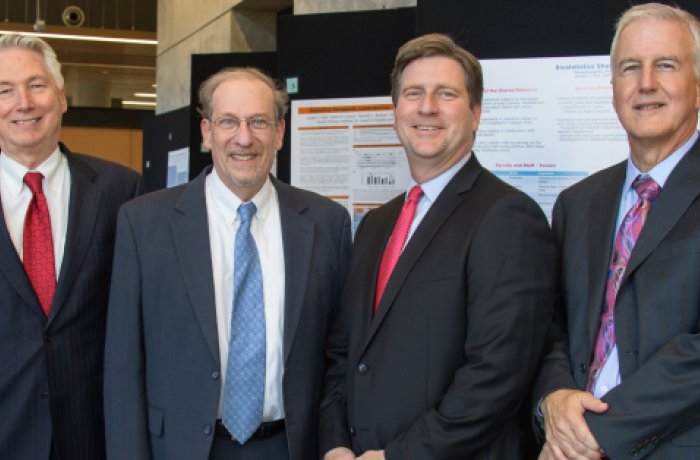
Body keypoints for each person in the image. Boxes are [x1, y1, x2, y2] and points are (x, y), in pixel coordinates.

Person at [319, 33, 556, 460]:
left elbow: (497, 374)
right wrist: (335, 443)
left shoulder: (506, 217)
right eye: (413, 93)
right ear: (395, 112)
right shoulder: (375, 225)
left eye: (445, 94)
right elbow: (344, 354)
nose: (426, 107)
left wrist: (399, 456)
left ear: (476, 113)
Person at [103, 67, 351, 460]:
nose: (244, 137)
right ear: (206, 132)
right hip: (181, 448)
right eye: (228, 122)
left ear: (280, 132)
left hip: (291, 447)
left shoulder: (326, 223)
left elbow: (340, 355)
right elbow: (122, 366)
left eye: (258, 122)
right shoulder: (144, 223)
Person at [534, 3, 700, 459]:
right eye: (630, 68)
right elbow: (549, 326)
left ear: (698, 84)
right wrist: (555, 399)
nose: (646, 83)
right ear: (612, 90)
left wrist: (597, 433)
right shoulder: (577, 203)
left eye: (666, 65)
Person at [0, 34, 143, 460]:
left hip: (94, 435)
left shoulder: (123, 189)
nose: (23, 102)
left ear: (62, 98)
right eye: (4, 90)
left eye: (37, 85)